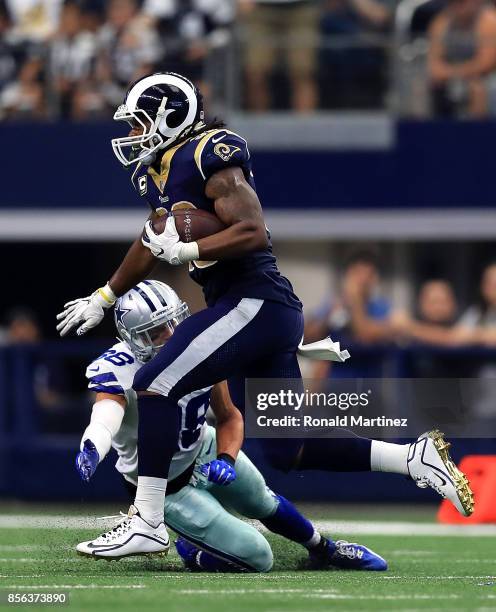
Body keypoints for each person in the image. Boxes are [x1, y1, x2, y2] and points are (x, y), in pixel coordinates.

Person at [56, 72, 473, 558]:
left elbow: (253, 231)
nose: (132, 135)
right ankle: (412, 457)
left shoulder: (211, 151)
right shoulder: (158, 172)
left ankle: (147, 521)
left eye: (140, 123)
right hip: (255, 311)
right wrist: (105, 296)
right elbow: (150, 243)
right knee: (286, 447)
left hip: (252, 300)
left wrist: (190, 246)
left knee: (156, 381)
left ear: (171, 119)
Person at [76, 280, 387, 571]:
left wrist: (226, 457)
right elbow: (106, 414)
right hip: (166, 487)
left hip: (204, 446)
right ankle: (192, 550)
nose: (172, 335)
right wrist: (94, 444)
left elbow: (229, 416)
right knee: (259, 557)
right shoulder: (118, 367)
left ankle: (325, 550)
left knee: (263, 500)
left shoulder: (195, 347)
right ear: (132, 339)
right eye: (156, 331)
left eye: (174, 322)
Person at [428, 0, 496, 117]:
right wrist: (452, 74)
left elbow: (487, 62)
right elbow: (434, 64)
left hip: (484, 77)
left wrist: (456, 73)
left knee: (477, 88)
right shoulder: (441, 22)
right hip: (452, 75)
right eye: (453, 2)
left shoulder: (490, 21)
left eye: (462, 2)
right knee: (425, 85)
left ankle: (477, 131)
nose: (458, 6)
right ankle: (433, 129)